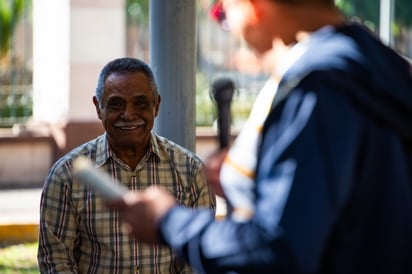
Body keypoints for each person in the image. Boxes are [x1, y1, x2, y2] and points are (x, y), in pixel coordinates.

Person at [106, 1, 412, 273]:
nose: (230, 32)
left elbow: (279, 248)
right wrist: (258, 178)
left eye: (222, 14)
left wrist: (169, 222)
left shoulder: (316, 87)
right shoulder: (378, 65)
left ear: (253, 7)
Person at [37, 57, 216, 273]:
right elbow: (55, 261)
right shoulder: (66, 175)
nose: (129, 114)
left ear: (156, 105)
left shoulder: (190, 171)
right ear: (98, 107)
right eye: (116, 104)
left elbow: (199, 259)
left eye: (140, 103)